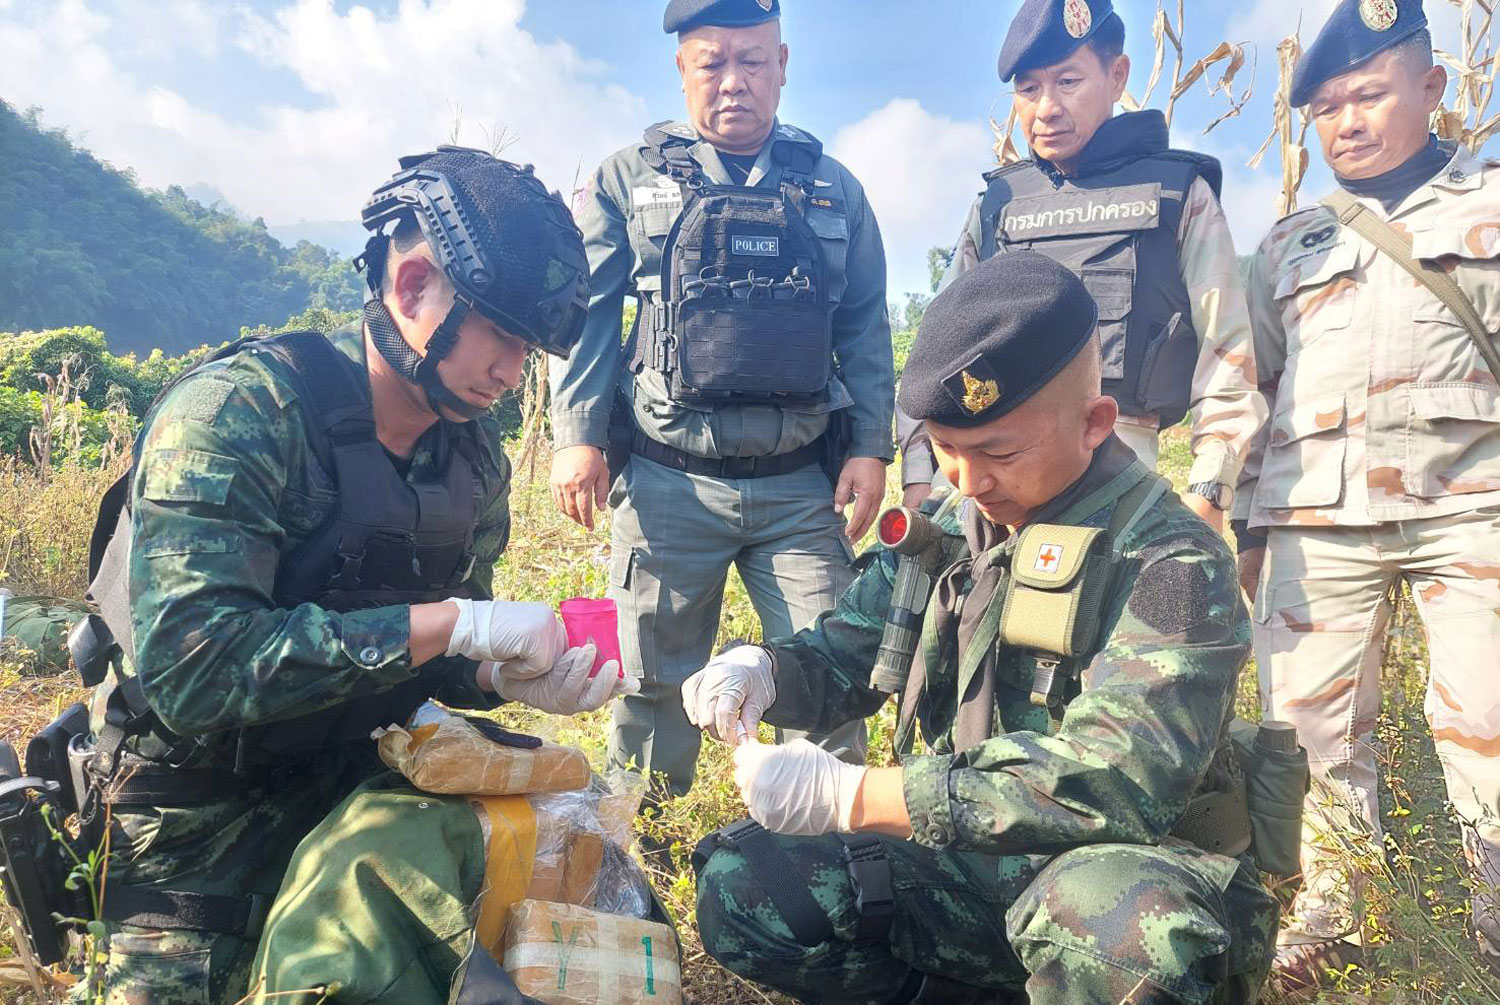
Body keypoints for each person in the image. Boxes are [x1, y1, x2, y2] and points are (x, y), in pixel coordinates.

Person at [68, 147, 634, 1002]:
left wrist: (498, 673)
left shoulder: (470, 458)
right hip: (198, 811)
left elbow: (427, 659)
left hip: (368, 773)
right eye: (504, 338)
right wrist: (455, 625)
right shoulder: (239, 415)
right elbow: (194, 674)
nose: (515, 373)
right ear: (412, 287)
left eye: (531, 351)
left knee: (564, 919)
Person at [687, 251, 1278, 1003]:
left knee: (1127, 932)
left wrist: (859, 797)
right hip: (967, 857)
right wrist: (762, 671)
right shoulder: (948, 526)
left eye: (998, 451)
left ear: (1095, 424)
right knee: (746, 884)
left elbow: (1122, 776)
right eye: (946, 451)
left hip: (1117, 867)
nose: (969, 481)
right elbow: (844, 653)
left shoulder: (1170, 557)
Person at [549, 0, 895, 799]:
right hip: (669, 479)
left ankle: (830, 844)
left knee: (829, 685)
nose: (732, 81)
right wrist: (577, 435)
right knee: (650, 685)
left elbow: (864, 326)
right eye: (712, 63)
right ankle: (639, 838)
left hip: (801, 487)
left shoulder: (834, 189)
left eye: (751, 60)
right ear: (682, 69)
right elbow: (593, 318)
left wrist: (871, 447)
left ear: (783, 65)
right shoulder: (626, 180)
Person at [1233, 0, 1500, 987]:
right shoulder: (1288, 243)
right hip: (1316, 521)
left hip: (1470, 507)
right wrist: (1245, 524)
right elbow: (1255, 389)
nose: (1346, 122)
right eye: (1328, 107)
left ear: (1431, 89)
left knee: (1487, 719)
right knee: (1309, 732)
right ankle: (1337, 917)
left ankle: (1492, 913)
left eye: (1370, 96)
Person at [895, 0, 1264, 535]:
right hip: (985, 485)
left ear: (1117, 76)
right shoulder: (997, 205)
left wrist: (1209, 488)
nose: (1046, 108)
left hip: (1120, 478)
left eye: (1068, 81)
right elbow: (934, 354)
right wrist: (920, 474)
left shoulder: (1177, 195)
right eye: (1028, 89)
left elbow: (1227, 352)